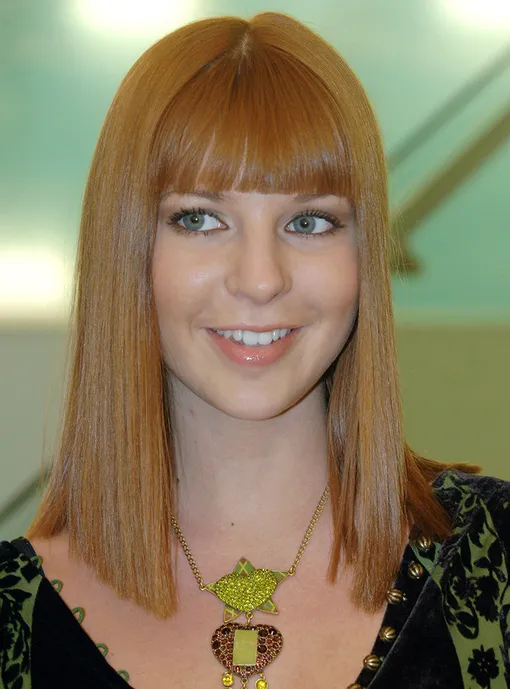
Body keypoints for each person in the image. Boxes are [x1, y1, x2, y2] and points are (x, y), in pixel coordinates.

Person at [0, 11, 509, 689]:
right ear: (125, 248)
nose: (262, 279)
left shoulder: (494, 558)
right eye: (199, 219)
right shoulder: (13, 618)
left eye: (310, 221)